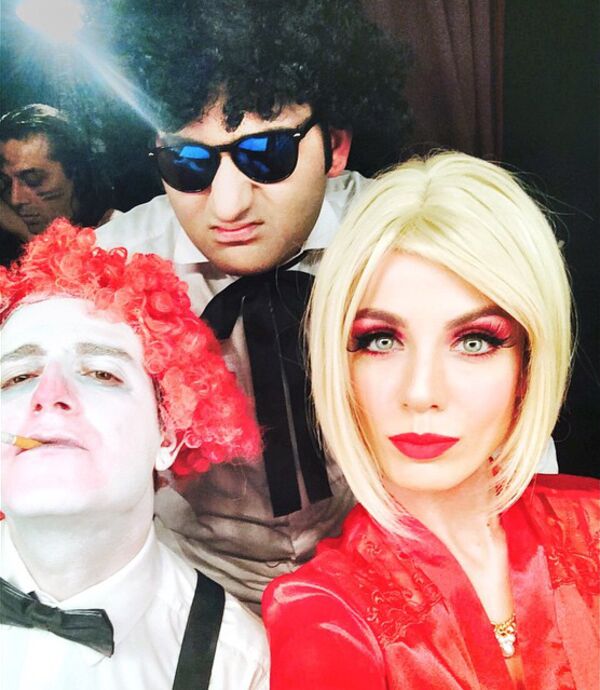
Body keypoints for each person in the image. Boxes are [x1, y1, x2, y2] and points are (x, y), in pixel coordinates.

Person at [94, 0, 413, 612]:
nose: (228, 205)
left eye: (267, 155)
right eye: (188, 162)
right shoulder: (112, 269)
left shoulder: (402, 240)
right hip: (190, 581)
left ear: (335, 148)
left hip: (383, 560)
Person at [263, 152, 599, 689]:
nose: (421, 393)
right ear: (338, 362)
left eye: (475, 342)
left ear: (529, 363)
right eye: (380, 340)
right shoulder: (322, 612)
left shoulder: (593, 524)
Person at [0, 220, 269, 689]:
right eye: (17, 377)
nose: (49, 394)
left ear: (168, 433)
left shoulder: (236, 661)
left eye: (102, 373)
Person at [0, 104, 115, 263]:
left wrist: (30, 238)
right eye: (5, 183)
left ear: (77, 174)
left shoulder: (127, 237)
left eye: (33, 179)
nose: (15, 199)